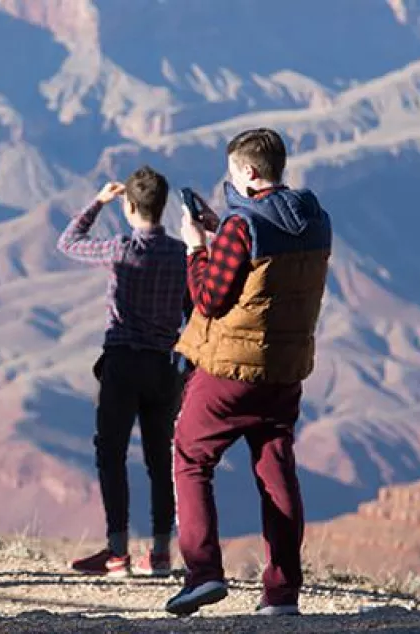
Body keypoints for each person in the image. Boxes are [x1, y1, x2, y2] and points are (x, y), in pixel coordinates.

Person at [164, 128, 332, 616]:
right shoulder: (315, 219)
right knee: (277, 472)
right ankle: (281, 594)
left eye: (233, 173)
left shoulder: (241, 228)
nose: (230, 180)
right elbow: (267, 265)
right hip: (284, 370)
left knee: (191, 457)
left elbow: (210, 298)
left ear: (250, 172)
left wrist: (197, 247)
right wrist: (225, 229)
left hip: (231, 372)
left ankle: (203, 574)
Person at [57, 166, 188, 578]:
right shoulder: (180, 255)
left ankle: (117, 554)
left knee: (111, 453)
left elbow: (69, 242)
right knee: (159, 460)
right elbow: (190, 309)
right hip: (164, 367)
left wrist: (98, 201)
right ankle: (163, 553)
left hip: (122, 365)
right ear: (161, 205)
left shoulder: (121, 248)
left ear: (130, 206)